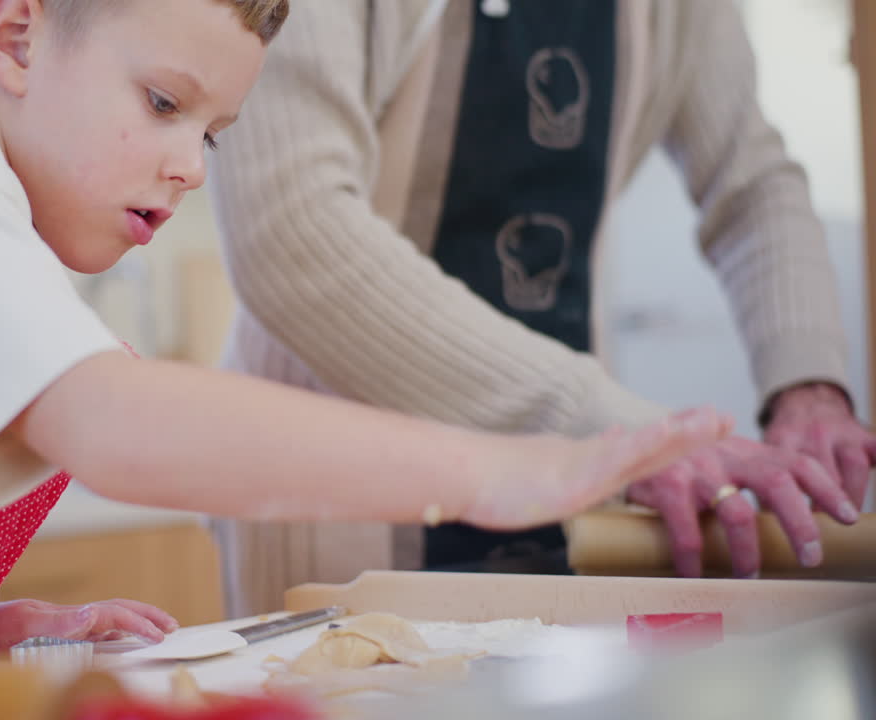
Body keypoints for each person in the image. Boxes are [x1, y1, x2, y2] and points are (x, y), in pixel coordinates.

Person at [0, 0, 729, 706]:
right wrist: (493, 468)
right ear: (16, 35)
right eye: (162, 101)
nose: (191, 165)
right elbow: (122, 426)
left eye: (214, 133)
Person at [207, 0, 875, 616]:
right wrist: (611, 435)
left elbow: (753, 181)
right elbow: (293, 233)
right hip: (343, 497)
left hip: (577, 500)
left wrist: (809, 384)